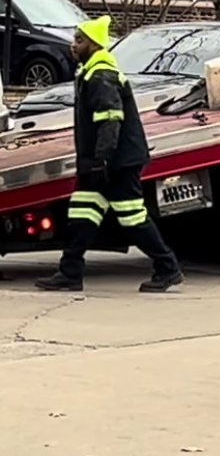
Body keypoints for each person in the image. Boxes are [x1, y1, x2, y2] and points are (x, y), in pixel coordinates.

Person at [35, 15, 184, 293]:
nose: (73, 46)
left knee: (132, 216)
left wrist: (102, 158)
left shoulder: (102, 75)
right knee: (82, 214)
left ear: (93, 44)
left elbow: (110, 119)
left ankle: (167, 267)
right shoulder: (93, 71)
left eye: (79, 41)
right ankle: (70, 273)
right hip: (103, 161)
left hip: (115, 161)